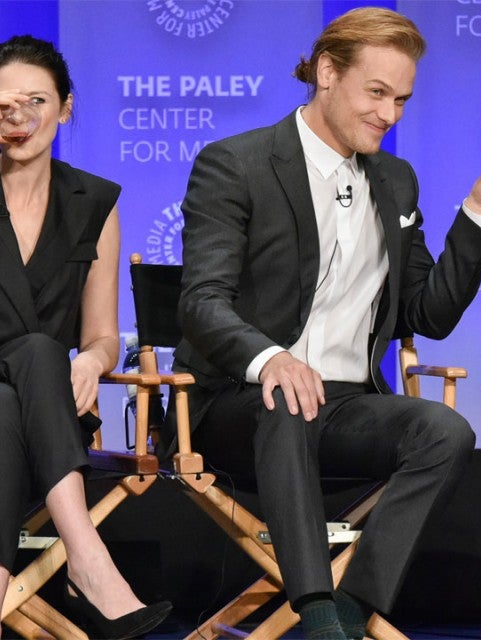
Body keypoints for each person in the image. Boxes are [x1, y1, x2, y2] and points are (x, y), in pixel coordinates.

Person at [167, 7, 481, 640]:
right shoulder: (237, 163)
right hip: (238, 404)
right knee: (288, 398)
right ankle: (316, 613)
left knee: (444, 431)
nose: (389, 114)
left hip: (344, 404)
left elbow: (428, 314)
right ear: (326, 72)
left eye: (401, 99)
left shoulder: (395, 179)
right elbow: (202, 301)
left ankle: (354, 603)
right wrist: (271, 359)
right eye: (376, 92)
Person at [0, 35, 171, 639]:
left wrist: (93, 363)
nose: (18, 117)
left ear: (65, 108)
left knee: (23, 384)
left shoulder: (93, 203)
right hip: (33, 413)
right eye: (2, 104)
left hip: (47, 413)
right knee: (31, 361)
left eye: (36, 100)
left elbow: (101, 335)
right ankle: (88, 558)